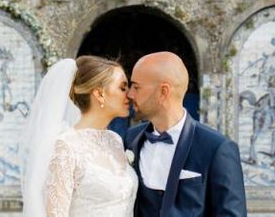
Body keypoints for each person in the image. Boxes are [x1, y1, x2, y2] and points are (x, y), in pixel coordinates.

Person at [125, 52, 247, 216]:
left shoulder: (217, 148)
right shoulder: (131, 139)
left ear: (163, 91)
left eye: (136, 87)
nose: (130, 94)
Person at [21, 56, 138, 216]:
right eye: (122, 88)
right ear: (99, 94)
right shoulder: (66, 146)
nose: (130, 95)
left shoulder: (115, 140)